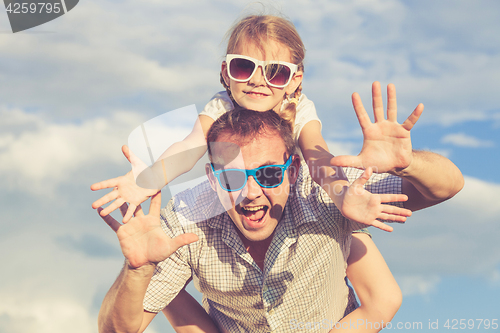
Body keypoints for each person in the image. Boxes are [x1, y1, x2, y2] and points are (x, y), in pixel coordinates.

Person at [91, 14, 413, 331]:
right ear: (225, 73)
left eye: (275, 72)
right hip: (254, 208)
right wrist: (146, 181)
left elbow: (317, 156)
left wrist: (342, 196)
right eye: (244, 67)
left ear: (295, 80)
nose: (258, 80)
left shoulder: (300, 110)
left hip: (306, 196)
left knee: (346, 237)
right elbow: (189, 148)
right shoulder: (221, 108)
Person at [96, 100, 463, 332]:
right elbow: (117, 331)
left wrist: (408, 165)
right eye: (232, 177)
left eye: (269, 174)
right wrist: (139, 270)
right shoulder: (186, 222)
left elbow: (446, 186)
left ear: (293, 171)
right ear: (212, 178)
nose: (250, 192)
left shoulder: (325, 193)